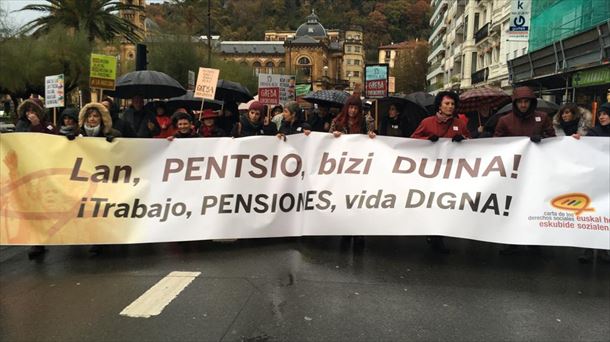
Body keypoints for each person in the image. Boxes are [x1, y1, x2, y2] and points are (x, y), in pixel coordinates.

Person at [410, 91, 468, 253]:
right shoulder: (427, 123)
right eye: (447, 104)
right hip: (430, 171)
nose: (450, 107)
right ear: (439, 106)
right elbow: (411, 141)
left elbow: (471, 145)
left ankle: (439, 237)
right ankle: (431, 232)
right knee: (432, 203)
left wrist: (462, 140)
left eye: (452, 104)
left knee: (444, 205)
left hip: (450, 172)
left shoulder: (460, 124)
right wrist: (427, 141)